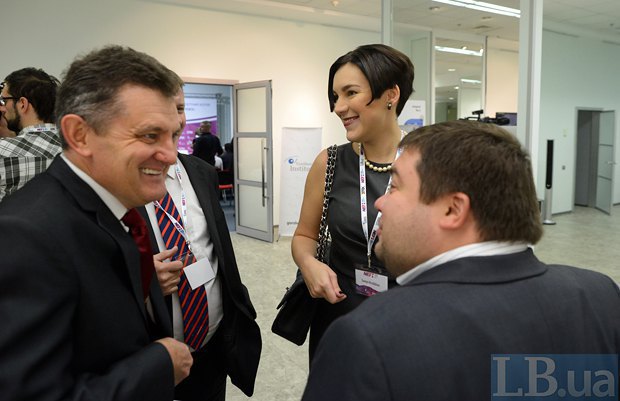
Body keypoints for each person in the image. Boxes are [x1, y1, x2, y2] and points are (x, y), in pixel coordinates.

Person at [302, 120, 620, 401]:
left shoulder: (368, 336)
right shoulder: (601, 295)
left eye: (395, 186)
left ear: (454, 210)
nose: (381, 201)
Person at [0, 45, 194, 401]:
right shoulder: (26, 235)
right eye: (150, 136)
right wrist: (158, 365)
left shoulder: (114, 209)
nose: (170, 155)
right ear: (80, 135)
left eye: (173, 135)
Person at [291, 44, 414, 359]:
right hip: (339, 312)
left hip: (410, 314)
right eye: (335, 96)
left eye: (350, 93)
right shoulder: (329, 162)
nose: (338, 107)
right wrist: (309, 264)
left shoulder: (429, 162)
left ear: (391, 95)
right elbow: (305, 236)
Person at [142, 86, 261, 401]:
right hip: (152, 350)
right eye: (164, 108)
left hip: (213, 340)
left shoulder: (201, 172)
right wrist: (142, 280)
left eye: (180, 108)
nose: (175, 119)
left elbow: (218, 250)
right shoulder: (116, 182)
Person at [0, 67, 61, 201]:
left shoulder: (3, 151)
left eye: (4, 101)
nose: (2, 108)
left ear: (22, 104)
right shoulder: (75, 151)